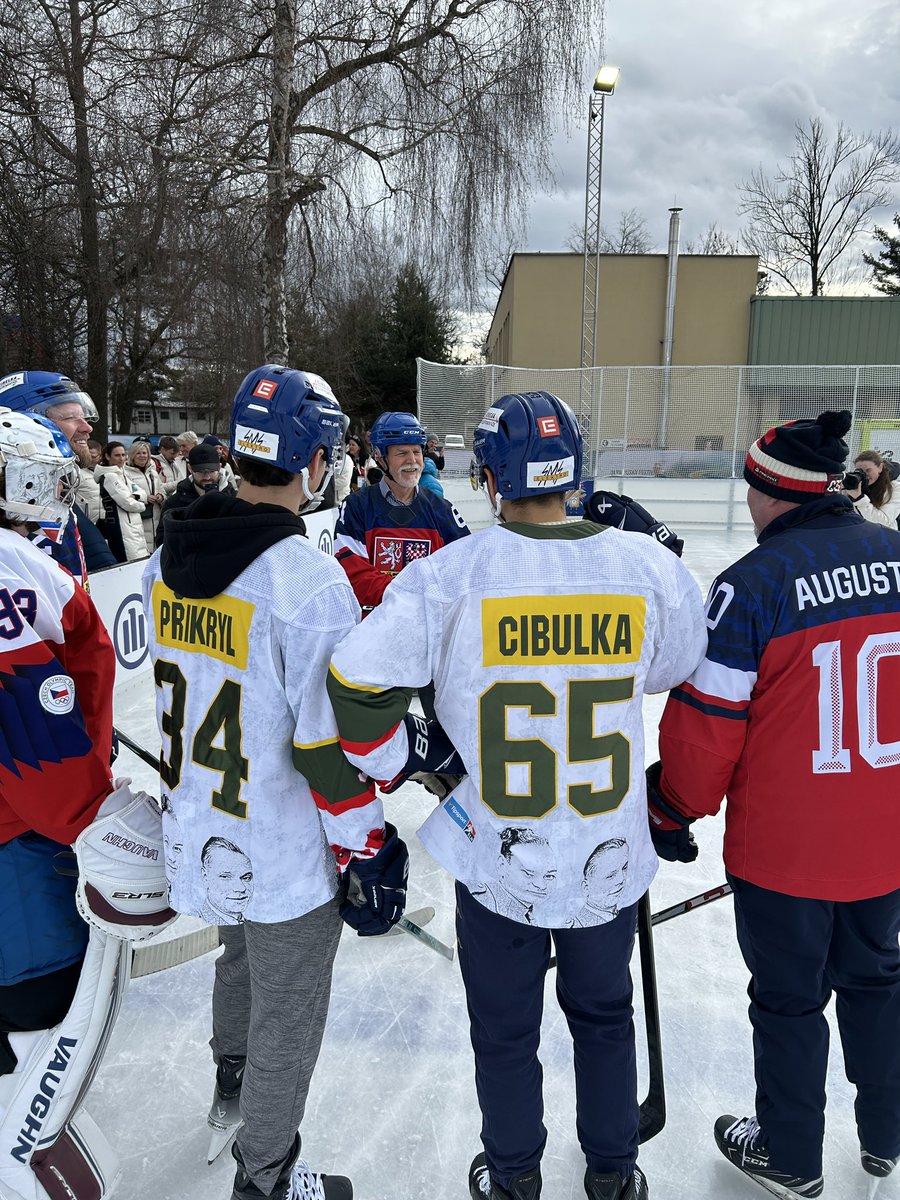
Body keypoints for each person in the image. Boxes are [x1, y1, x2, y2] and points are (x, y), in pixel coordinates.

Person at [327, 390, 707, 1200]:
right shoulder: (644, 567)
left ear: (491, 478)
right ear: (574, 469)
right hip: (607, 849)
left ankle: (512, 1174)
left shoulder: (449, 575)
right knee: (605, 1018)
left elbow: (354, 685)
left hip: (498, 853)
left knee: (504, 1032)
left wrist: (403, 757)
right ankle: (612, 1170)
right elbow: (681, 666)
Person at [142, 363, 409, 1200]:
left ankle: (231, 1079)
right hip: (281, 839)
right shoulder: (304, 578)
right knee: (288, 1003)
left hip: (204, 819)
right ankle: (265, 1176)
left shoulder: (168, 554)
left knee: (237, 953)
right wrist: (369, 841)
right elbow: (325, 751)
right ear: (316, 460)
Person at [648, 410, 900, 1200]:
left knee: (789, 1002)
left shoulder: (751, 586)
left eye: (750, 486)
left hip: (786, 854)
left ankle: (791, 1152)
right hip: (886, 842)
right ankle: (885, 1131)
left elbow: (706, 733)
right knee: (878, 981)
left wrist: (671, 806)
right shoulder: (897, 556)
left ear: (771, 493)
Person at [0, 406, 173, 1200]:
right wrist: (90, 814)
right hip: (17, 854)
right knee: (42, 1022)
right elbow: (32, 733)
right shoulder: (15, 569)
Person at [333, 410, 470, 613]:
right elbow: (352, 571)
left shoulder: (442, 509)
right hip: (372, 633)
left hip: (428, 632)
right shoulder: (356, 507)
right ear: (379, 457)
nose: (412, 460)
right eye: (401, 453)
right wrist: (413, 598)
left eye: (416, 451)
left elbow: (464, 568)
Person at [0, 370, 115, 577]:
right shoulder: (14, 507)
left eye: (84, 417)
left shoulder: (55, 497)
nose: (87, 427)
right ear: (23, 427)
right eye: (71, 417)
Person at [155, 442, 237, 547]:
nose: (207, 477)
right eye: (201, 472)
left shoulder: (234, 499)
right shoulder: (175, 503)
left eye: (211, 471)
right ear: (190, 469)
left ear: (220, 467)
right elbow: (162, 541)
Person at [95, 441, 148, 562]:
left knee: (139, 559)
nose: (121, 458)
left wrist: (135, 496)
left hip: (132, 524)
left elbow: (142, 492)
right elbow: (128, 503)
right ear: (108, 457)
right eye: (117, 455)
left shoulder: (121, 473)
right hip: (121, 526)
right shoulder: (110, 476)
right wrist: (142, 505)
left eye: (123, 455)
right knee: (129, 561)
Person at [125, 439, 165, 553]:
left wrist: (160, 496)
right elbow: (126, 496)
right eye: (138, 453)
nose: (142, 456)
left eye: (144, 453)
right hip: (138, 519)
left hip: (156, 518)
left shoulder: (153, 473)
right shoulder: (125, 473)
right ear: (132, 455)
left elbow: (162, 490)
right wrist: (145, 498)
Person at [843, 449, 900, 528]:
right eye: (860, 471)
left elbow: (884, 521)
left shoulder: (895, 488)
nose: (864, 475)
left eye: (868, 470)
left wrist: (859, 499)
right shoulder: (855, 485)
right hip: (857, 535)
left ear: (880, 467)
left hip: (883, 536)